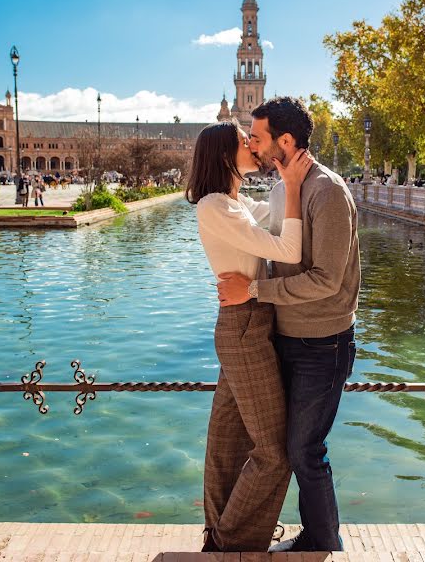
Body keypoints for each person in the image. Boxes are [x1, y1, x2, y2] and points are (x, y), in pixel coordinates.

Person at [218, 97, 361, 553]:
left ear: (285, 140)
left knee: (305, 451)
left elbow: (326, 280)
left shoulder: (328, 191)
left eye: (257, 138)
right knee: (276, 448)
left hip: (323, 344)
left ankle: (323, 541)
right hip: (283, 337)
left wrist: (254, 292)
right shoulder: (286, 188)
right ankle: (253, 531)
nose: (253, 146)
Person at [187, 119, 313, 552]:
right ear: (226, 154)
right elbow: (289, 249)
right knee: (275, 451)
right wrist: (294, 186)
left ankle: (217, 533)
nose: (253, 146)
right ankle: (231, 541)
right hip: (244, 328)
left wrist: (286, 169)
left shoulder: (235, 203)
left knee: (226, 441)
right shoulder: (214, 207)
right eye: (246, 142)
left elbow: (276, 220)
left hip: (249, 324)